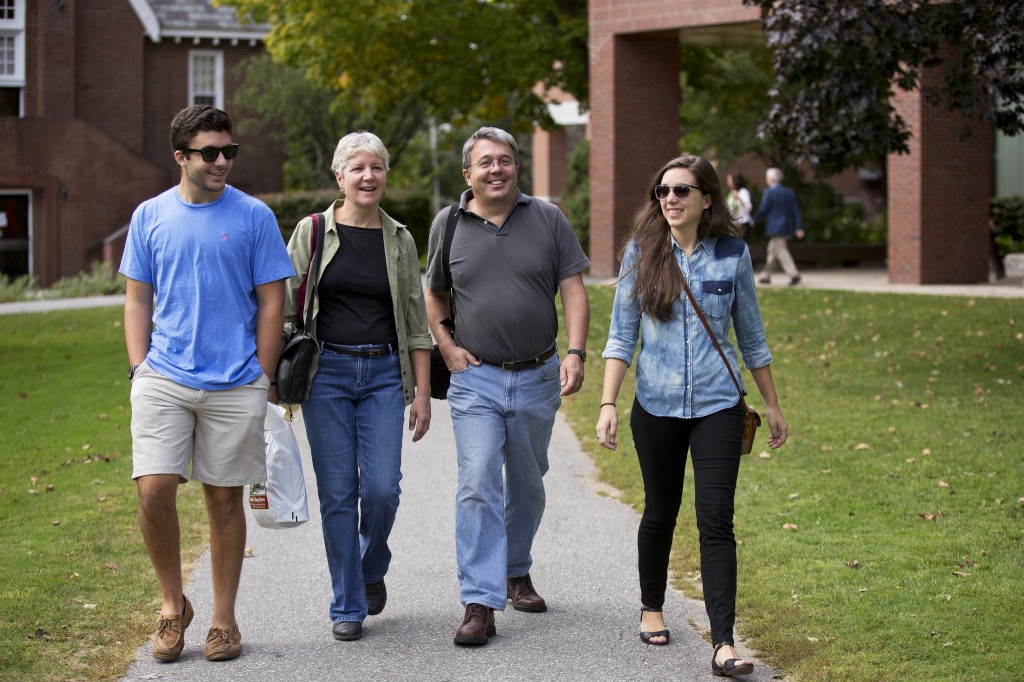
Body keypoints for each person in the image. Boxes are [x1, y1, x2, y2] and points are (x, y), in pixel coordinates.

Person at [596, 156, 789, 678]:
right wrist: (608, 403)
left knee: (716, 520)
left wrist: (770, 404)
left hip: (718, 406)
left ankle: (723, 641)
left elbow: (750, 335)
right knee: (660, 511)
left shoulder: (732, 254)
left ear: (707, 198)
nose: (671, 199)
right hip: (655, 405)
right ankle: (652, 606)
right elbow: (621, 336)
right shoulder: (642, 253)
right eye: (662, 190)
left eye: (682, 189)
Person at [120, 104, 294, 663]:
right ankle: (174, 607)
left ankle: (222, 620)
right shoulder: (149, 216)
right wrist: (139, 366)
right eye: (210, 153)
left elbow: (273, 300)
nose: (222, 162)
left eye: (229, 152)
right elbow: (137, 298)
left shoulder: (254, 217)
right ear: (180, 157)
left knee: (224, 500)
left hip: (236, 379)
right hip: (163, 376)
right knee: (152, 488)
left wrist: (263, 375)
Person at [424, 127, 590, 646]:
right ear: (467, 173)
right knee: (477, 481)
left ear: (516, 166)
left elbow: (573, 290)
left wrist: (577, 352)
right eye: (485, 162)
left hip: (538, 375)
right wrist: (447, 347)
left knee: (528, 482)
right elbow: (433, 295)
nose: (496, 169)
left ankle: (516, 568)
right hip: (476, 379)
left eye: (505, 160)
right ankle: (479, 599)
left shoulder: (548, 218)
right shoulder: (448, 224)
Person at [282, 131, 433, 642]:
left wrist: (423, 395)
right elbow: (284, 308)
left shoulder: (400, 238)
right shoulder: (312, 230)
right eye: (358, 168)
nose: (369, 177)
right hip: (326, 374)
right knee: (340, 493)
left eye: (377, 167)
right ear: (340, 176)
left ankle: (372, 566)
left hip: (385, 374)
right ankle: (346, 602)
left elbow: (416, 321)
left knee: (383, 488)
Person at [752, 167, 804, 286]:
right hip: (787, 227)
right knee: (772, 251)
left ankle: (794, 274)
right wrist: (799, 227)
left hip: (775, 227)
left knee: (780, 250)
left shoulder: (769, 192)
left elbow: (763, 209)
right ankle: (765, 275)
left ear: (771, 179)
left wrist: (754, 220)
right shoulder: (789, 192)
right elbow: (796, 211)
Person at [725, 173, 753, 239]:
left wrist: (739, 197)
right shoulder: (731, 194)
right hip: (734, 224)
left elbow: (748, 207)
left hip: (742, 223)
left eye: (729, 180)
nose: (728, 183)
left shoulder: (743, 192)